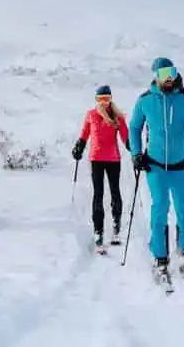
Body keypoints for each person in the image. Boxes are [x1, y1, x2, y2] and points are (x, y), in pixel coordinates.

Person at [128, 56, 184, 282]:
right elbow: (134, 127)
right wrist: (136, 154)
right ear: (155, 76)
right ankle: (160, 258)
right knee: (159, 210)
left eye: (172, 73)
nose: (169, 78)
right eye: (164, 74)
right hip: (155, 166)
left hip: (182, 167)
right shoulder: (145, 100)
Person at [72, 84, 129, 249]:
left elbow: (125, 137)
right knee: (98, 194)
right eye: (100, 99)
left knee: (114, 191)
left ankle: (116, 222)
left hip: (113, 159)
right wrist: (79, 147)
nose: (104, 102)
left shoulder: (118, 117)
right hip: (96, 159)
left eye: (107, 99)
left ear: (111, 99)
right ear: (96, 100)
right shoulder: (91, 115)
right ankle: (98, 230)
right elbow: (84, 134)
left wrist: (133, 148)